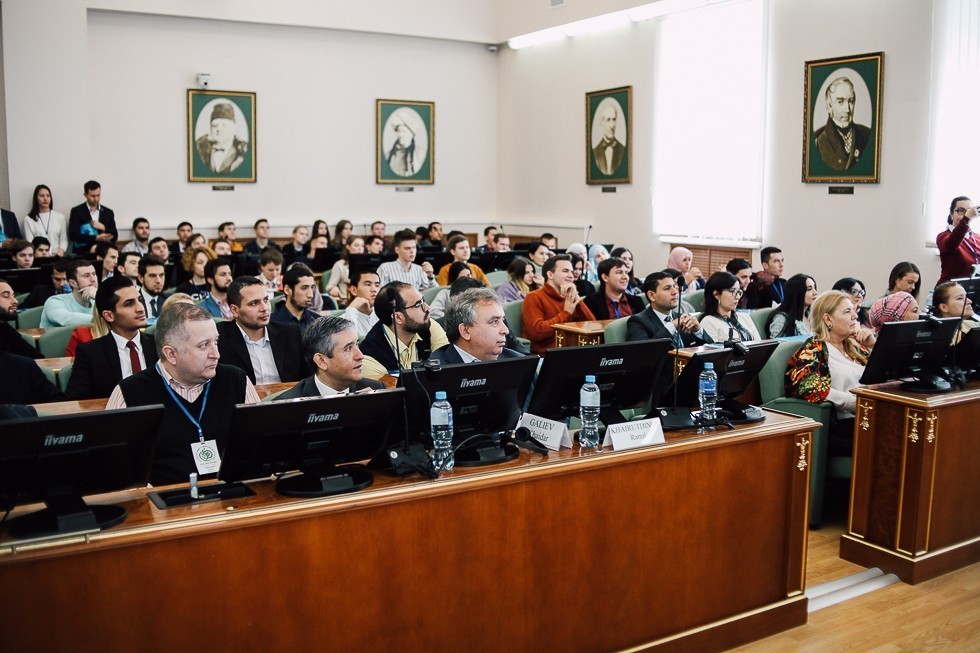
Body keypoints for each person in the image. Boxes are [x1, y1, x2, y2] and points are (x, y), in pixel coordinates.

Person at [105, 302, 261, 487]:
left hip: (234, 493)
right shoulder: (129, 393)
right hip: (162, 499)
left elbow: (260, 446)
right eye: (204, 345)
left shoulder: (236, 380)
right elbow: (114, 468)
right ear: (171, 354)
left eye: (216, 341)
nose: (216, 354)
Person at [786, 290, 871, 455]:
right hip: (842, 425)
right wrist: (853, 403)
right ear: (828, 319)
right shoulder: (814, 348)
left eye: (854, 310)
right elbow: (806, 385)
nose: (855, 316)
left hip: (868, 416)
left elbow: (885, 377)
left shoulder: (855, 346)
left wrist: (873, 345)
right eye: (847, 311)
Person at [66, 276, 158, 400]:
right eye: (129, 304)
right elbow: (77, 400)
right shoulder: (90, 353)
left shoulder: (160, 345)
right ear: (109, 316)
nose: (140, 308)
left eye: (139, 300)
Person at [218, 276, 306, 385]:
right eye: (254, 303)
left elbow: (308, 378)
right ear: (234, 310)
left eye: (265, 300)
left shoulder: (291, 334)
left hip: (287, 395)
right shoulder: (219, 338)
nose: (264, 308)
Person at [277, 316, 384, 399]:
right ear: (321, 361)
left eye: (357, 345)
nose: (360, 356)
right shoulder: (289, 406)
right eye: (348, 348)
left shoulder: (376, 390)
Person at [359, 281, 450, 379]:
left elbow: (448, 368)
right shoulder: (370, 359)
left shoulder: (427, 325)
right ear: (398, 317)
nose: (427, 308)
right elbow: (392, 388)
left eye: (423, 300)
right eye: (418, 304)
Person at [522, 254, 595, 354]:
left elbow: (593, 327)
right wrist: (566, 313)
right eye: (565, 271)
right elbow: (537, 333)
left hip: (574, 353)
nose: (571, 275)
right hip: (547, 356)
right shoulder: (534, 297)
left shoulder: (569, 298)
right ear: (550, 275)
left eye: (571, 272)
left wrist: (577, 299)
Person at [431, 287, 524, 364]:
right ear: (465, 331)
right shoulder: (435, 372)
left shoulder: (517, 363)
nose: (506, 330)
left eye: (502, 320)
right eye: (494, 321)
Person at [627, 271, 711, 347]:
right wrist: (672, 326)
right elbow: (643, 352)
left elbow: (712, 349)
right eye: (667, 288)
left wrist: (698, 331)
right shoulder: (638, 321)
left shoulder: (683, 318)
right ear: (652, 295)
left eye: (674, 286)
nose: (675, 292)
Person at [813, 77, 872, 171]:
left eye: (851, 101)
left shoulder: (867, 134)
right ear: (829, 107)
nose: (847, 109)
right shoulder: (818, 140)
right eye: (840, 102)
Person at [698, 271, 761, 343]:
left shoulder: (745, 317)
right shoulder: (708, 322)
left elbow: (760, 344)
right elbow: (716, 349)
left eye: (738, 292)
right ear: (716, 294)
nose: (737, 297)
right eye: (732, 291)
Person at [40, 259, 98, 328]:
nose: (93, 279)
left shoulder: (96, 300)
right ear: (73, 283)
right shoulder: (54, 301)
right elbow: (66, 319)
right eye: (86, 275)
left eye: (94, 274)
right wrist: (103, 320)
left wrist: (99, 297)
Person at [195, 102, 248, 174]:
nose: (219, 129)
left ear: (233, 128)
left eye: (224, 125)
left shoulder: (242, 154)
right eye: (215, 125)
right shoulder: (200, 151)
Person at [936, 196, 979, 284]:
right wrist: (966, 218)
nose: (966, 214)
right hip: (951, 287)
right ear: (951, 213)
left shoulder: (977, 237)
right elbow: (951, 244)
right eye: (961, 210)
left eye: (969, 211)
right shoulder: (943, 236)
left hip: (974, 286)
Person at [68, 180, 117, 255]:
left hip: (104, 253)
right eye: (93, 196)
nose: (96, 199)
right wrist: (96, 238)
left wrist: (103, 227)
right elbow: (73, 235)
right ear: (85, 195)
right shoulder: (76, 211)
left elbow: (115, 235)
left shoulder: (108, 212)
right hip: (83, 253)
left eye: (98, 195)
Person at [765, 273, 818, 338]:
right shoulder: (782, 319)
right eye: (809, 289)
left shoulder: (811, 315)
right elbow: (777, 343)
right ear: (797, 293)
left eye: (814, 288)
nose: (815, 293)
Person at [271, 265, 320, 332]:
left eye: (312, 288)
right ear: (287, 290)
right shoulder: (271, 323)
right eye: (304, 288)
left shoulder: (318, 322)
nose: (310, 295)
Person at [21, 184, 68, 256]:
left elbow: (63, 240)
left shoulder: (60, 217)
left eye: (48, 196)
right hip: (38, 257)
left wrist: (58, 255)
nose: (45, 198)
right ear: (36, 198)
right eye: (42, 196)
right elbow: (30, 242)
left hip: (57, 255)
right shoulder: (28, 219)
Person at [0, 279, 40, 358]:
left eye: (13, 296)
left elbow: (36, 358)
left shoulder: (6, 329)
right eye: (6, 296)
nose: (15, 301)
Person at [931, 280, 977, 345]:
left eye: (966, 296)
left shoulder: (973, 326)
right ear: (944, 307)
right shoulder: (936, 337)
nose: (969, 301)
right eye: (960, 298)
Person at [325, 235, 364, 306]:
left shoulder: (367, 264)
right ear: (348, 247)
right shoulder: (340, 265)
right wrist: (333, 288)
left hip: (364, 300)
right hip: (346, 301)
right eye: (356, 245)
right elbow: (330, 286)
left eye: (362, 246)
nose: (360, 248)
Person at [342, 268, 381, 339]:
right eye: (368, 284)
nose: (374, 289)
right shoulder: (343, 319)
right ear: (354, 290)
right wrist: (351, 308)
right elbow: (351, 340)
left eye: (377, 285)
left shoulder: (383, 314)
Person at [593, 102, 625, 175]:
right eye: (608, 120)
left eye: (614, 119)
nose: (612, 125)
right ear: (602, 122)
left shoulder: (623, 151)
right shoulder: (595, 152)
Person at [138, 254, 168, 320]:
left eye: (161, 275)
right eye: (152, 276)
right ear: (141, 278)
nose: (158, 281)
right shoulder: (134, 302)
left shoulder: (169, 301)